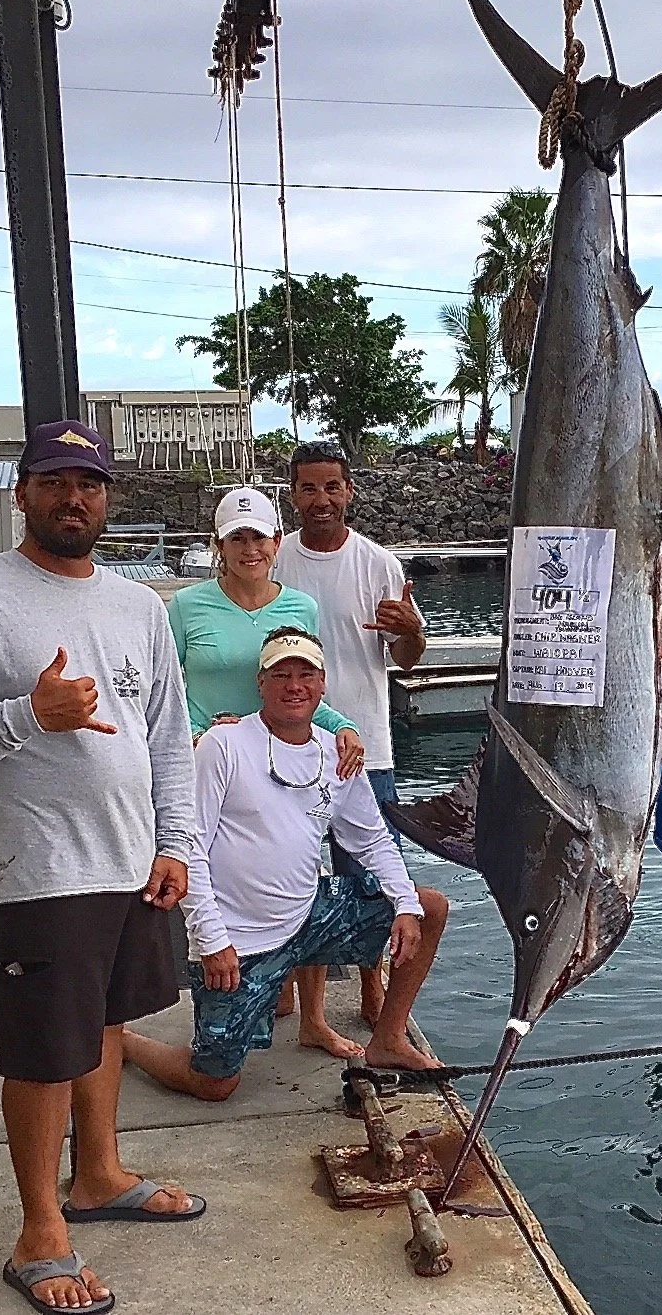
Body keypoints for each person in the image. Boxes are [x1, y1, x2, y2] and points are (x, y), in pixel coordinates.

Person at [0, 420, 203, 1315]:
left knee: (105, 1021)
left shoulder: (139, 605)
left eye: (90, 483)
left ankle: (98, 1174)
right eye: (56, 480)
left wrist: (175, 842)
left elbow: (169, 740)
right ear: (20, 491)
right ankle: (39, 1230)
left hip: (131, 858)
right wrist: (26, 714)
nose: (75, 498)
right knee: (42, 1051)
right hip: (38, 865)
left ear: (108, 496)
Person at [122, 628, 448, 1099]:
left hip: (308, 917)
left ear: (322, 684)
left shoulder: (334, 754)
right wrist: (212, 941)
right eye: (281, 674)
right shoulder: (224, 745)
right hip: (240, 941)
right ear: (261, 683)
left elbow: (373, 839)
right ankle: (130, 1043)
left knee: (430, 907)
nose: (294, 685)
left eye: (306, 674)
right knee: (214, 1083)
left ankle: (389, 1039)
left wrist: (403, 904)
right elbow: (188, 845)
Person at [168, 484, 366, 1061]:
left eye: (259, 536)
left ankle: (314, 1018)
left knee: (306, 867)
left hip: (283, 755)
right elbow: (165, 691)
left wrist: (345, 725)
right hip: (215, 759)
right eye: (237, 537)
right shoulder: (186, 607)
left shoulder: (300, 608)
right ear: (219, 545)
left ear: (277, 543)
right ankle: (236, 971)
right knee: (225, 872)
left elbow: (301, 687)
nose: (248, 547)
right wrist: (199, 733)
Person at [274, 439, 427, 1026]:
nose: (320, 499)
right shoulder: (277, 561)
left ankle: (372, 989)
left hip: (365, 750)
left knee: (369, 877)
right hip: (285, 745)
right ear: (292, 496)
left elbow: (408, 658)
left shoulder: (380, 565)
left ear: (349, 493)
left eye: (331, 487)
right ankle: (285, 983)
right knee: (288, 870)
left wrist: (411, 628)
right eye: (308, 487)